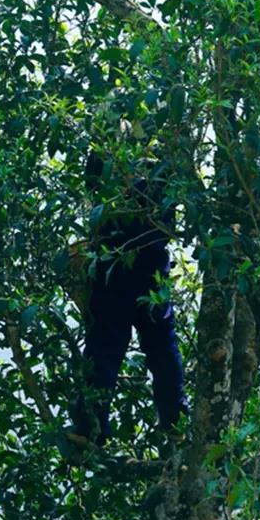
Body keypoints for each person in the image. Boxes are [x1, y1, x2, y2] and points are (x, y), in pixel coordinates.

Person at [65, 152, 188, 450]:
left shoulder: (131, 147)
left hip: (119, 261)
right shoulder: (161, 148)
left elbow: (93, 184)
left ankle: (91, 426)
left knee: (107, 344)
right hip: (141, 260)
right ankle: (175, 425)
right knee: (158, 345)